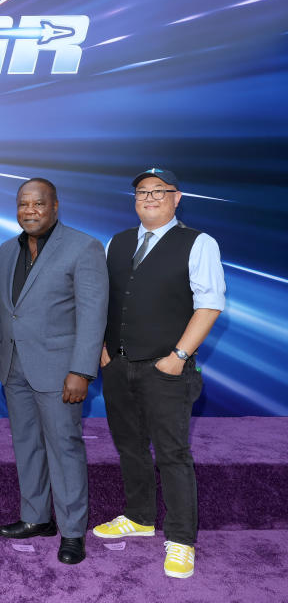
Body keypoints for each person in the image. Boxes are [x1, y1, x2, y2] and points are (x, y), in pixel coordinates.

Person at [92, 168, 225, 579]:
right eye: (142, 192)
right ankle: (139, 516)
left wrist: (179, 355)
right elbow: (105, 301)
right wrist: (101, 351)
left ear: (176, 197)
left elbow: (209, 304)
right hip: (118, 366)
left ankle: (182, 540)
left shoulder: (198, 243)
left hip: (167, 370)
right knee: (130, 447)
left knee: (172, 454)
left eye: (159, 191)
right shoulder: (117, 242)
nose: (149, 197)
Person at [0, 178, 108, 565]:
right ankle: (36, 518)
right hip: (15, 366)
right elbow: (4, 307)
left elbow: (93, 314)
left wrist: (81, 371)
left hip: (60, 370)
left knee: (64, 449)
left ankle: (72, 532)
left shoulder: (83, 247)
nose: (30, 210)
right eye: (23, 204)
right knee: (26, 445)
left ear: (55, 206)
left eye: (38, 203)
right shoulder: (6, 250)